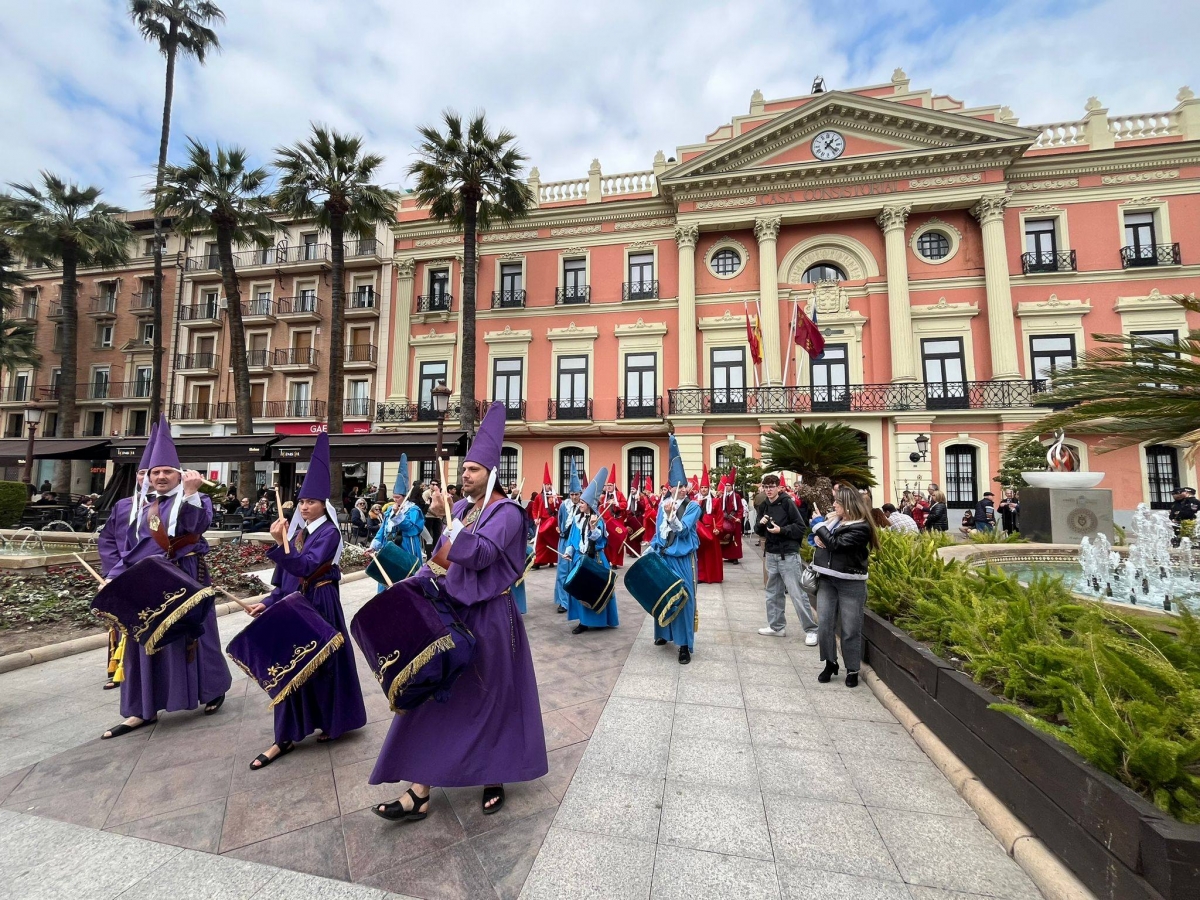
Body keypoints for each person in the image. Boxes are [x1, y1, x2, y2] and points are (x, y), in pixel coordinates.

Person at [370, 401, 548, 820]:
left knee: (492, 698)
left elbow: (483, 555)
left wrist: (451, 528)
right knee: (437, 697)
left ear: (490, 475)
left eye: (471, 470)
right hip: (455, 616)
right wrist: (409, 587)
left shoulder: (508, 513)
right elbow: (441, 562)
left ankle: (494, 774)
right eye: (463, 469)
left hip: (492, 618)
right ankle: (419, 791)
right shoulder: (465, 511)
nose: (463, 476)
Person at [99, 414, 231, 738]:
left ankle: (213, 690)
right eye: (155, 472)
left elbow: (196, 526)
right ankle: (140, 709)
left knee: (197, 637)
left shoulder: (198, 500)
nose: (159, 476)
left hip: (187, 577)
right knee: (142, 639)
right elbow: (134, 549)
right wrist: (114, 576)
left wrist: (189, 493)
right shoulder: (144, 510)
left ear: (179, 474)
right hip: (152, 581)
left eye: (166, 471)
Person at [241, 432, 367, 768]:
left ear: (323, 504)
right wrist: (267, 604)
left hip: (321, 603)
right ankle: (285, 735)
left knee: (324, 667)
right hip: (296, 603)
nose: (303, 507)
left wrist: (280, 544)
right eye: (300, 502)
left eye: (310, 502)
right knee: (290, 666)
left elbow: (308, 566)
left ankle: (332, 722)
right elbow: (286, 579)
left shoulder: (329, 533)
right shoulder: (298, 533)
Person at [811, 485, 879, 688]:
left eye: (837, 502)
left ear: (848, 505)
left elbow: (836, 545)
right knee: (824, 624)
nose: (833, 505)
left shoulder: (861, 527)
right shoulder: (835, 521)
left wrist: (818, 526)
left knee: (850, 628)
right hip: (827, 579)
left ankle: (852, 668)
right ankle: (830, 663)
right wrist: (818, 535)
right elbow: (819, 540)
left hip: (850, 582)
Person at [650, 436, 700, 665]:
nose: (677, 490)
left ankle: (684, 645)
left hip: (682, 559)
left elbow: (682, 530)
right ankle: (662, 634)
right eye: (673, 486)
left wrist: (671, 516)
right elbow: (658, 533)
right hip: (663, 557)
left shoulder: (693, 507)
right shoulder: (663, 505)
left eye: (681, 486)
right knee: (661, 597)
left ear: (686, 487)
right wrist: (651, 548)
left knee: (683, 599)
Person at [754, 473, 818, 644]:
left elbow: (800, 527)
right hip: (772, 553)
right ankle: (776, 627)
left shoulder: (787, 503)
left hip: (788, 554)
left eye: (772, 487)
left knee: (797, 593)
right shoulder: (764, 505)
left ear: (779, 487)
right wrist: (761, 525)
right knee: (772, 593)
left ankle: (811, 630)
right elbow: (757, 530)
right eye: (766, 487)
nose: (768, 490)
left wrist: (781, 530)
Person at [562, 466, 619, 634]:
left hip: (596, 560)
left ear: (589, 505)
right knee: (581, 590)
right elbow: (572, 539)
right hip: (580, 559)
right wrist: (569, 552)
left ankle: (602, 620)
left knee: (598, 589)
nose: (579, 504)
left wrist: (593, 528)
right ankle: (583, 622)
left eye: (582, 502)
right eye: (580, 502)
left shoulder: (598, 520)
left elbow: (600, 539)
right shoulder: (577, 519)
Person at [553, 461, 582, 614]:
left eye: (576, 494)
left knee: (577, 572)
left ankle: (576, 599)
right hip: (564, 541)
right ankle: (563, 602)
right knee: (562, 572)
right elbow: (560, 521)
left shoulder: (585, 505)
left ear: (580, 494)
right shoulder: (564, 505)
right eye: (571, 494)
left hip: (578, 544)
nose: (574, 497)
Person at [528, 464, 560, 568]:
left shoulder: (555, 495)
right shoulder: (538, 497)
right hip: (542, 522)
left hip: (553, 522)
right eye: (546, 484)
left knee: (553, 541)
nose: (548, 486)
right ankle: (538, 561)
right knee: (540, 543)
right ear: (543, 485)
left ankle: (552, 560)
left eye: (550, 484)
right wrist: (536, 518)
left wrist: (555, 501)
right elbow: (534, 509)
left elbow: (560, 507)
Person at [695, 465, 724, 584]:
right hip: (699, 531)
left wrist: (718, 528)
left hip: (712, 531)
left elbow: (719, 516)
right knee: (700, 555)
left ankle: (713, 576)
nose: (703, 489)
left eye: (705, 487)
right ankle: (701, 576)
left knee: (712, 555)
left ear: (708, 488)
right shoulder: (695, 501)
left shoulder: (715, 501)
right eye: (701, 487)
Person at [599, 474, 627, 570]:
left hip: (617, 521)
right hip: (607, 522)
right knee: (608, 542)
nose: (608, 487)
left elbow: (625, 504)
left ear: (614, 486)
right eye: (607, 485)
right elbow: (600, 509)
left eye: (610, 485)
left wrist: (616, 503)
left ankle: (615, 562)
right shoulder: (604, 497)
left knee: (617, 542)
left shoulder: (619, 495)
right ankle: (608, 560)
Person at [718, 475, 744, 565]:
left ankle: (735, 557)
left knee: (735, 539)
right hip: (725, 519)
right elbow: (720, 507)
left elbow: (740, 508)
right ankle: (728, 556)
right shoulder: (723, 497)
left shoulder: (736, 496)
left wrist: (738, 517)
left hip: (734, 520)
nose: (727, 487)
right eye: (726, 485)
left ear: (732, 486)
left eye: (729, 485)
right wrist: (723, 514)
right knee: (725, 537)